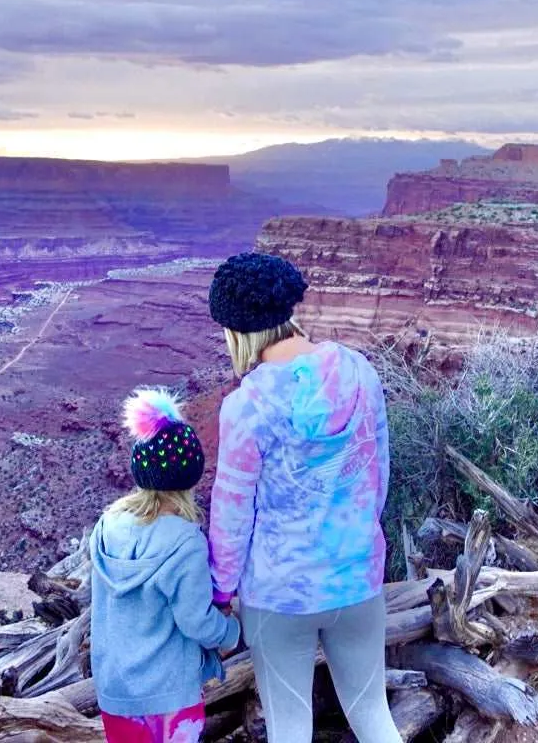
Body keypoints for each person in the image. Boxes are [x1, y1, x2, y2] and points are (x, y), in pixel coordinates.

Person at [206, 252, 401, 743]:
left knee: (290, 730)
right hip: (356, 577)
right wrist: (359, 540)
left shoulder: (246, 405)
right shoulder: (360, 371)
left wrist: (221, 592)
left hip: (279, 594)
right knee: (373, 716)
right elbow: (378, 473)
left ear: (237, 331)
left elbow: (232, 514)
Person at [89, 389, 242, 743]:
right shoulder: (185, 542)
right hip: (169, 693)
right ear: (190, 474)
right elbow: (196, 621)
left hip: (116, 691)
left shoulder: (107, 527)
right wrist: (231, 631)